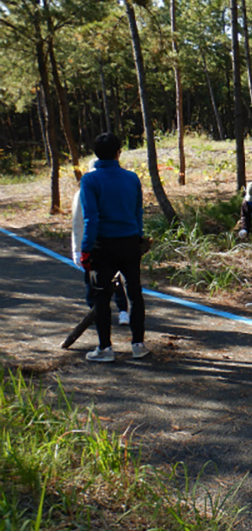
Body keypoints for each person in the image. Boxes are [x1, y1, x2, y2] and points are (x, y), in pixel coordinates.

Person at [79, 132, 148, 362]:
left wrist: (86, 249)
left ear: (96, 154)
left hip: (102, 246)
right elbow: (138, 213)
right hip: (129, 242)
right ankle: (138, 344)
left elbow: (91, 218)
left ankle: (105, 348)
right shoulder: (132, 178)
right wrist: (139, 238)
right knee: (135, 294)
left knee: (101, 297)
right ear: (119, 152)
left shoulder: (90, 180)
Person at [72, 160, 130, 325]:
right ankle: (96, 311)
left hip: (109, 241)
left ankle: (122, 311)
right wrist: (78, 249)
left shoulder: (112, 188)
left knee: (116, 278)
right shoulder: (83, 192)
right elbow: (78, 222)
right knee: (95, 280)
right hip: (96, 243)